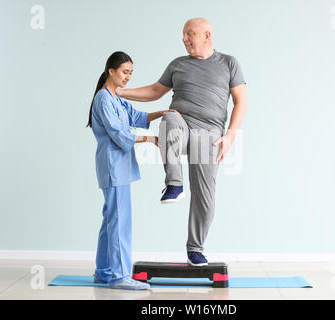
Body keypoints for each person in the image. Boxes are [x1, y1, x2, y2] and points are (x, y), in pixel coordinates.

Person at [117, 18, 247, 266]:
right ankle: (174, 184)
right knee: (170, 117)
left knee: (204, 196)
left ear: (207, 35)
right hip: (180, 126)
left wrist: (230, 135)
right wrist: (121, 92)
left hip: (209, 135)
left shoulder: (229, 63)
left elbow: (241, 101)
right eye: (183, 35)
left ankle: (195, 249)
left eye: (190, 34)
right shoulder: (177, 65)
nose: (184, 39)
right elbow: (156, 91)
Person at [87, 51, 179, 289]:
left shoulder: (115, 98)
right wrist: (149, 139)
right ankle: (119, 276)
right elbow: (118, 133)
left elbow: (135, 116)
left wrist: (162, 113)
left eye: (130, 73)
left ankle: (104, 271)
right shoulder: (103, 99)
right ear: (111, 71)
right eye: (125, 72)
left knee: (111, 218)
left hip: (120, 167)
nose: (128, 77)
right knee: (119, 222)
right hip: (112, 166)